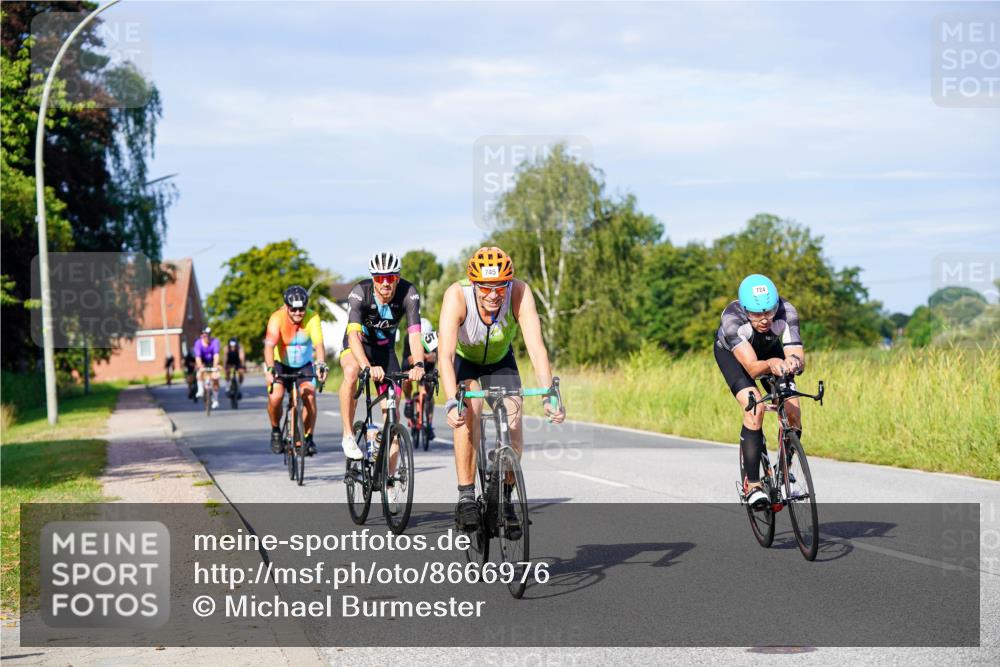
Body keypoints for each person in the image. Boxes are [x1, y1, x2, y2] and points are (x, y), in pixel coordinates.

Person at [438, 246, 565, 530]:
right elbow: (444, 355)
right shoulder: (457, 296)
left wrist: (550, 395)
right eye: (485, 288)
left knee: (514, 417)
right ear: (474, 284)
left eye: (500, 287)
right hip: (464, 361)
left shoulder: (519, 292)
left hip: (499, 361)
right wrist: (450, 400)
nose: (493, 295)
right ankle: (467, 497)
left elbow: (536, 348)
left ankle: (505, 498)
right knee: (470, 408)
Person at [714, 274, 805, 510]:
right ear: (745, 310)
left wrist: (793, 363)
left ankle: (784, 474)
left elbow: (796, 354)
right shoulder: (733, 320)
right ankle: (752, 485)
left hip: (772, 352)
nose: (765, 319)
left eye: (769, 311)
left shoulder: (786, 312)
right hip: (738, 358)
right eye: (757, 314)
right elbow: (753, 368)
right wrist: (773, 362)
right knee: (755, 407)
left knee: (793, 411)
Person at [338, 252, 426, 461]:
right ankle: (348, 434)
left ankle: (389, 484)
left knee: (392, 414)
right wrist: (366, 366)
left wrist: (419, 364)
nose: (385, 283)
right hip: (358, 346)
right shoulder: (360, 292)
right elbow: (353, 335)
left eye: (391, 278)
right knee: (351, 372)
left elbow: (414, 335)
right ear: (373, 279)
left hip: (385, 351)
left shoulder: (408, 292)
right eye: (380, 278)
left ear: (397, 278)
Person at [264, 285, 328, 456]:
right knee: (276, 396)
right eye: (294, 309)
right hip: (280, 363)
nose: (298, 313)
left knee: (309, 396)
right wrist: (269, 368)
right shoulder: (277, 318)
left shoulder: (312, 317)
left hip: (303, 364)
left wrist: (321, 364)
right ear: (286, 307)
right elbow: (269, 346)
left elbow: (319, 345)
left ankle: (308, 437)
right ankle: (276, 430)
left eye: (302, 309)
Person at [402, 318, 438, 441]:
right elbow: (406, 359)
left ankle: (429, 423)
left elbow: (434, 357)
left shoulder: (432, 337)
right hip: (411, 365)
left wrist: (426, 356)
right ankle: (408, 401)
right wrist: (413, 359)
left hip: (427, 367)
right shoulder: (409, 337)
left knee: (429, 393)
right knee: (405, 379)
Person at [193, 327, 221, 409]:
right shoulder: (198, 343)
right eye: (204, 336)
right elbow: (197, 357)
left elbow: (216, 355)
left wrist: (215, 365)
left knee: (215, 377)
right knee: (199, 373)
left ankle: (215, 400)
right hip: (203, 362)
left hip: (212, 362)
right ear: (201, 336)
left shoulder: (215, 342)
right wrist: (200, 365)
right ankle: (200, 389)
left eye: (208, 335)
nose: (207, 337)